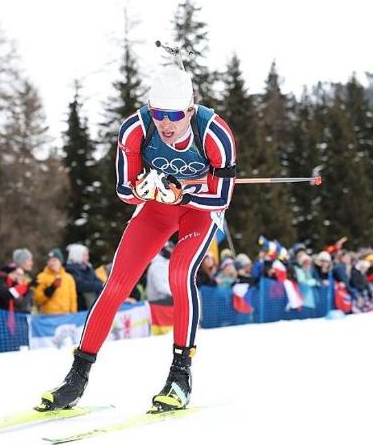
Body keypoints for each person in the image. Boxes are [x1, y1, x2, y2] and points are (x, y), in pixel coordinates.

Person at [37, 66, 236, 413]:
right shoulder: (136, 128)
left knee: (179, 273)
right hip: (157, 208)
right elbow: (123, 188)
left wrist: (182, 197)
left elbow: (221, 198)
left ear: (190, 110)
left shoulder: (215, 133)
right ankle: (76, 377)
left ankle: (180, 377)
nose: (166, 123)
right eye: (158, 113)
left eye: (174, 114)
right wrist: (144, 188)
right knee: (116, 284)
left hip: (197, 210)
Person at [0, 248, 34, 314]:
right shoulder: (2, 282)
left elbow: (31, 302)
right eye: (29, 260)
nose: (31, 263)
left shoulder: (26, 279)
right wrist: (26, 288)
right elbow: (19, 303)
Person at [33, 249, 77, 315]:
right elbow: (38, 299)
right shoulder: (41, 277)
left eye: (54, 260)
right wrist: (51, 289)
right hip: (49, 317)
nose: (52, 263)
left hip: (66, 317)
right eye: (49, 260)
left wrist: (74, 315)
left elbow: (73, 300)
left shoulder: (69, 278)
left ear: (60, 262)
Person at [65, 244, 105, 311]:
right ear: (77, 255)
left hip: (92, 304)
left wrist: (101, 284)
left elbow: (98, 281)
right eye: (85, 255)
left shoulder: (88, 268)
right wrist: (98, 285)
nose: (88, 257)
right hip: (81, 307)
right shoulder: (70, 270)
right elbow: (80, 285)